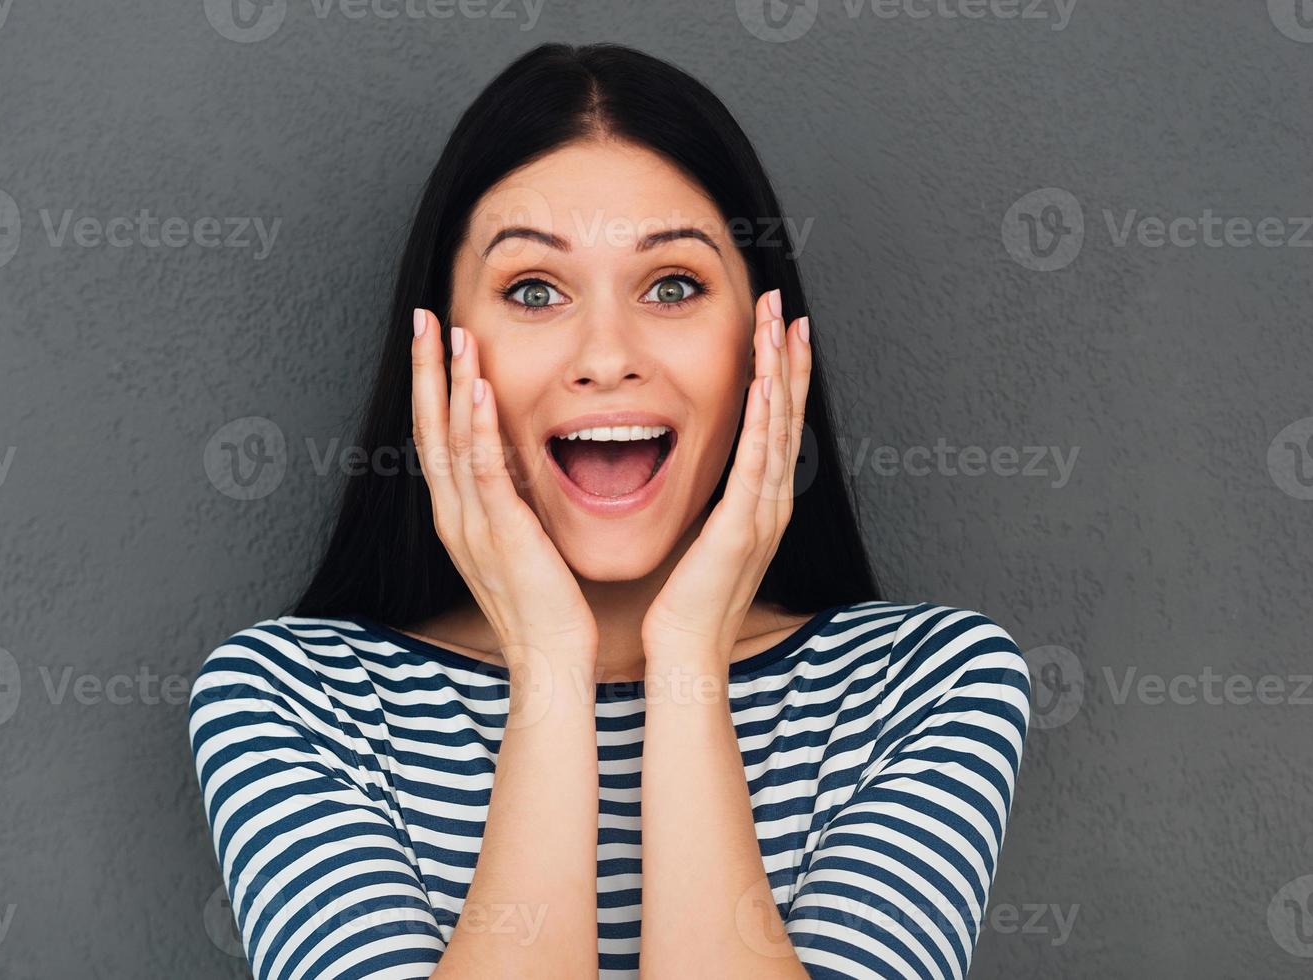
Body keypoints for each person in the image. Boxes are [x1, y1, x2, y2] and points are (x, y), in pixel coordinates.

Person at [188, 41, 1030, 980]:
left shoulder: (925, 685)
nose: (605, 354)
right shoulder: (293, 702)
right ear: (439, 353)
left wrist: (687, 666)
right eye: (533, 291)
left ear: (763, 344)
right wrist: (549, 666)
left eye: (672, 285)